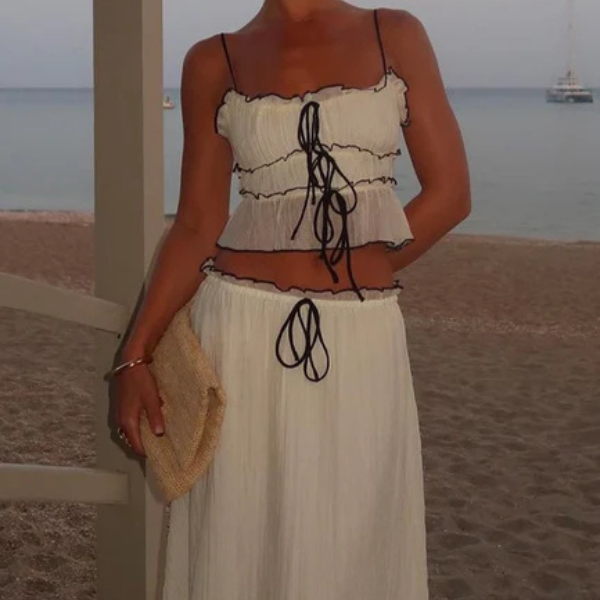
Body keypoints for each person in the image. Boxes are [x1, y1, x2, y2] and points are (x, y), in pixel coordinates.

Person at [112, 1, 471, 598]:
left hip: (363, 339)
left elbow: (451, 194)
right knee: (239, 540)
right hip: (239, 335)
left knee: (353, 542)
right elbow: (198, 224)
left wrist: (357, 269)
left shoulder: (395, 34)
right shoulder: (213, 60)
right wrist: (134, 354)